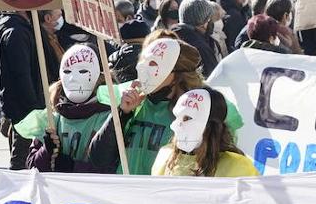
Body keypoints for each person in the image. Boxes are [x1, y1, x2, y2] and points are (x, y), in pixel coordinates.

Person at [86, 33, 219, 175]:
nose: (142, 68)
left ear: (177, 73)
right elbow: (98, 157)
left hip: (162, 193)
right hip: (126, 192)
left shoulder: (195, 113)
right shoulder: (134, 104)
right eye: (143, 61)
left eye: (153, 64)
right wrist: (122, 114)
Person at [17, 44, 117, 173]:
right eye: (67, 72)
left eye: (83, 71)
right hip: (56, 192)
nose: (73, 79)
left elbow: (115, 171)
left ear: (100, 75)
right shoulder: (52, 117)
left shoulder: (112, 118)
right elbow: (33, 167)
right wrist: (46, 151)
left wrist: (71, 167)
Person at [0, 9, 60, 169]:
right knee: (22, 162)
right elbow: (21, 75)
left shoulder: (27, 28)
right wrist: (34, 109)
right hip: (26, 111)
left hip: (32, 106)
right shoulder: (16, 32)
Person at [152, 87, 259, 176]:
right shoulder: (165, 157)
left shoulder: (238, 167)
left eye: (187, 118)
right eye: (176, 117)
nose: (174, 126)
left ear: (211, 125)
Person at [172, 0, 222, 76]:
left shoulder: (169, 38)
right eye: (209, 19)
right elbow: (213, 78)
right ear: (203, 22)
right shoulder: (201, 48)